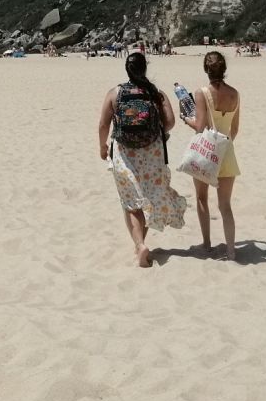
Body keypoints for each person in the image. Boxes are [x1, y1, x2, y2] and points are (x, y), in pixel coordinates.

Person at [97, 52, 184, 267]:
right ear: (145, 68)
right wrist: (155, 129)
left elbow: (103, 125)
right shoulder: (156, 93)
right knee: (148, 199)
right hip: (152, 154)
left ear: (127, 70)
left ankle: (139, 245)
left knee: (131, 203)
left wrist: (102, 146)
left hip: (124, 154)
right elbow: (171, 122)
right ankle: (141, 243)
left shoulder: (115, 93)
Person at [183, 50, 242, 260]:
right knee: (225, 205)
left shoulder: (201, 93)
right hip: (226, 152)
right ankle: (231, 250)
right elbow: (234, 129)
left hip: (207, 154)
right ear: (224, 69)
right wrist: (225, 145)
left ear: (206, 69)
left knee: (201, 199)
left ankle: (207, 244)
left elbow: (200, 127)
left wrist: (186, 119)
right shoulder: (235, 94)